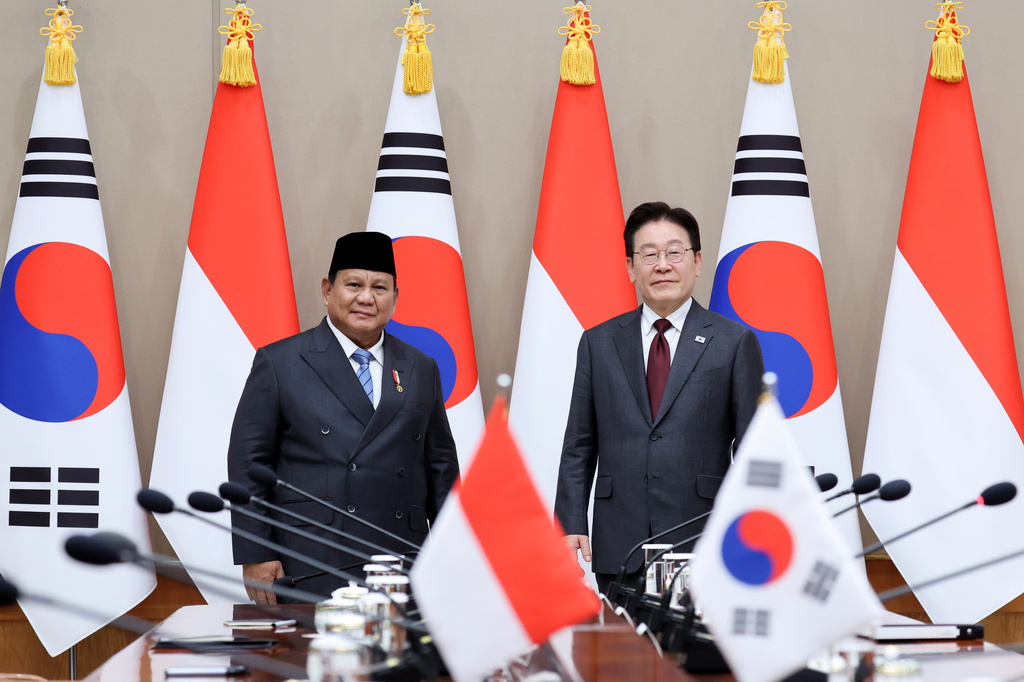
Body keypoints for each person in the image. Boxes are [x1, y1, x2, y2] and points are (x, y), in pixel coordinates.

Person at [227, 231, 459, 604]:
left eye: (380, 288)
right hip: (311, 555)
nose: (366, 298)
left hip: (401, 557)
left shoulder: (421, 367)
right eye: (354, 284)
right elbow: (249, 464)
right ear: (327, 290)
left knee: (400, 660)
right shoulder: (281, 361)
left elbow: (441, 467)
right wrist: (256, 552)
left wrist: (455, 551)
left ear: (395, 298)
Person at [554, 201, 764, 593]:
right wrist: (570, 522)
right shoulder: (598, 343)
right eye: (649, 254)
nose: (662, 265)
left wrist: (751, 530)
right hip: (620, 537)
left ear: (697, 262)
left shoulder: (734, 343)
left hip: (703, 537)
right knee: (624, 651)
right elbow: (579, 443)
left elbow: (754, 448)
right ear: (631, 267)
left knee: (698, 655)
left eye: (674, 252)